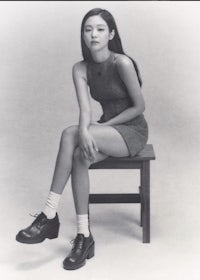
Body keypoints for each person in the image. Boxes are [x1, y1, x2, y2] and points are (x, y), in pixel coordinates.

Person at [16, 8, 148, 270]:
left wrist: (96, 129)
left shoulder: (121, 62)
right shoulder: (80, 68)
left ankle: (49, 214)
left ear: (111, 34)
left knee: (70, 133)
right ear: (83, 35)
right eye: (88, 29)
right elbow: (85, 111)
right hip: (104, 131)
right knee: (79, 155)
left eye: (100, 29)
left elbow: (139, 107)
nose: (93, 34)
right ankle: (84, 235)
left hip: (131, 132)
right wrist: (89, 129)